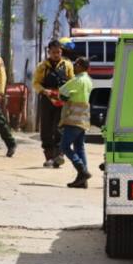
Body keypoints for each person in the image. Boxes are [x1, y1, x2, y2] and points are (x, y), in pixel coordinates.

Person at [33, 40, 74, 168]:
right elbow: (36, 83)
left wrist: (68, 94)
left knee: (60, 128)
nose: (56, 54)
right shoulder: (42, 66)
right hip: (47, 100)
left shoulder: (67, 65)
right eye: (54, 52)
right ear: (49, 52)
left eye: (59, 52)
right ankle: (49, 157)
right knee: (46, 128)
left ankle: (59, 155)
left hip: (62, 100)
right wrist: (44, 91)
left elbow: (72, 82)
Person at [57, 57, 94, 188]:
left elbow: (62, 91)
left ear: (79, 65)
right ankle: (82, 180)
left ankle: (81, 170)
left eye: (75, 64)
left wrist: (62, 80)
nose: (74, 67)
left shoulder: (78, 80)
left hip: (73, 119)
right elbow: (72, 92)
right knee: (79, 147)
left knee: (65, 147)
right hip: (83, 120)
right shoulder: (88, 80)